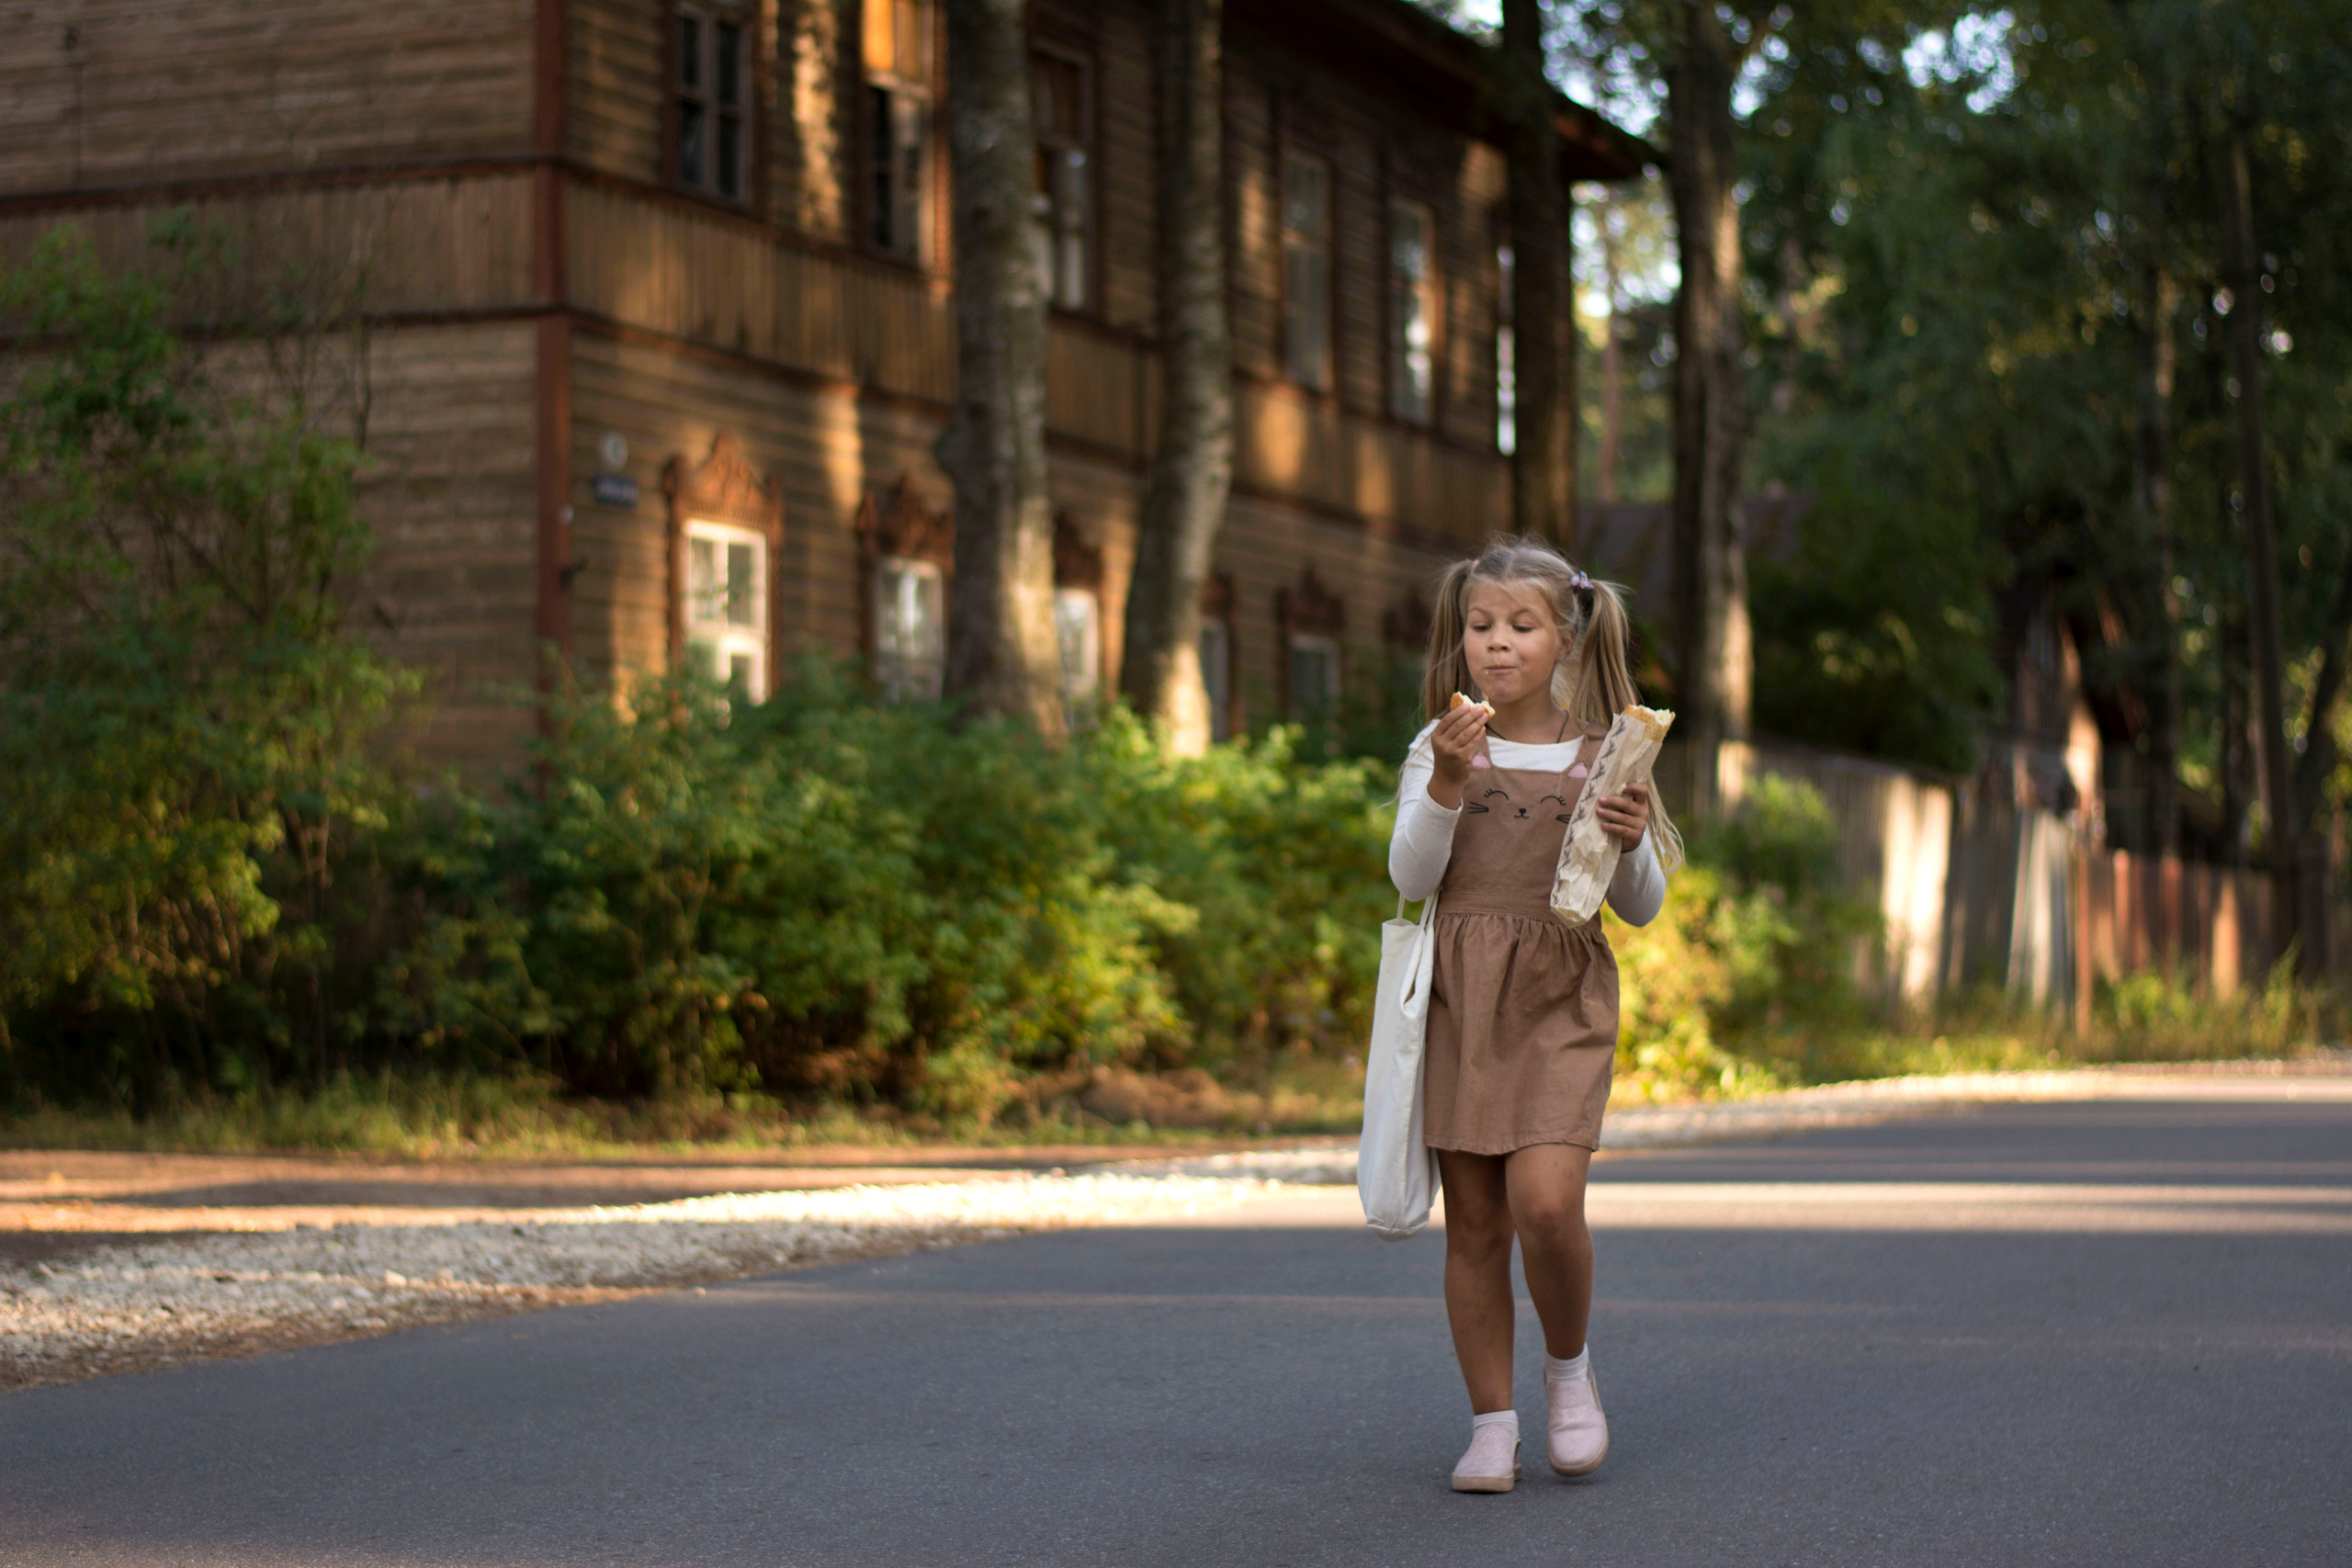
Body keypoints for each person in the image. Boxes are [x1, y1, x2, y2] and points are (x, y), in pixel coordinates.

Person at [1388, 535, 1681, 1494]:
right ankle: (1490, 1423)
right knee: (1474, 1223)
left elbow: (1636, 905)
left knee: (1546, 1206)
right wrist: (1442, 784)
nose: (1496, 644)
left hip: (1559, 996)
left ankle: (1567, 1374)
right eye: (1480, 626)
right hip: (1461, 997)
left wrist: (1633, 845)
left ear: (1564, 640)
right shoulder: (1439, 750)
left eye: (1520, 626)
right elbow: (1408, 876)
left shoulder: (1610, 753)